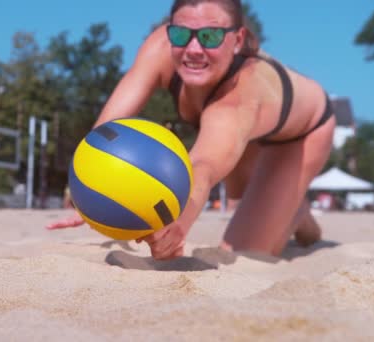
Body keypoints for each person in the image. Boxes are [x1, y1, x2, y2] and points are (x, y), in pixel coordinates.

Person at [46, 0, 335, 260]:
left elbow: (202, 166)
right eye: (182, 34)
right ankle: (286, 203)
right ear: (169, 30)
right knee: (242, 199)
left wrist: (177, 225)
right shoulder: (160, 47)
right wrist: (84, 187)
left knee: (246, 252)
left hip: (303, 132)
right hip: (245, 132)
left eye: (211, 36)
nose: (194, 49)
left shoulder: (239, 99)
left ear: (238, 39)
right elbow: (106, 132)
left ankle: (296, 212)